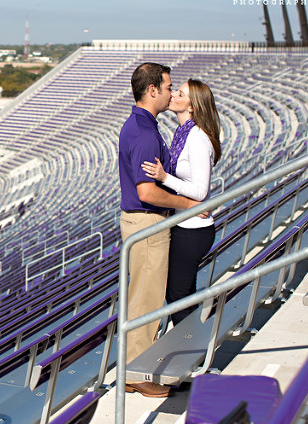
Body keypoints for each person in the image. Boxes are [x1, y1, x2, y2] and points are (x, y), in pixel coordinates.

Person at [118, 63, 202, 398]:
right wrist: (188, 205)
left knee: (142, 296)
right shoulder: (144, 133)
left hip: (142, 222)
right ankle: (138, 372)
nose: (171, 92)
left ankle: (131, 368)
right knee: (147, 300)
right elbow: (146, 192)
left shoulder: (141, 126)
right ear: (152, 90)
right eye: (168, 87)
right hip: (148, 221)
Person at [142, 79, 221, 325]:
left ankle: (189, 348)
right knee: (182, 292)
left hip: (193, 230)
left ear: (193, 106)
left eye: (180, 93)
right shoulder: (183, 134)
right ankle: (192, 343)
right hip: (183, 225)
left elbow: (200, 191)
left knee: (178, 294)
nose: (173, 95)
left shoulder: (197, 138)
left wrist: (164, 177)